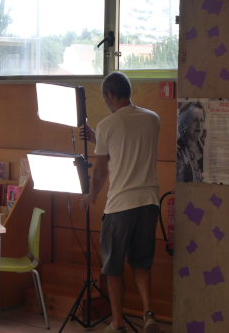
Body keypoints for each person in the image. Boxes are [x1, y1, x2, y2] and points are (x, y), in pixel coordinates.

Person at [79, 72, 161, 333]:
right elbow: (129, 145)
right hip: (149, 203)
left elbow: (102, 170)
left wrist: (92, 194)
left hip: (120, 206)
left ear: (110, 95)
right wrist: (98, 138)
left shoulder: (106, 125)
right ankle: (149, 313)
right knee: (141, 263)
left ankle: (116, 325)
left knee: (113, 268)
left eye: (105, 97)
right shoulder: (152, 119)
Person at [176, 101, 206, 182]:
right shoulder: (178, 149)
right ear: (185, 122)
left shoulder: (204, 146)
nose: (199, 124)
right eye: (195, 120)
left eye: (202, 120)